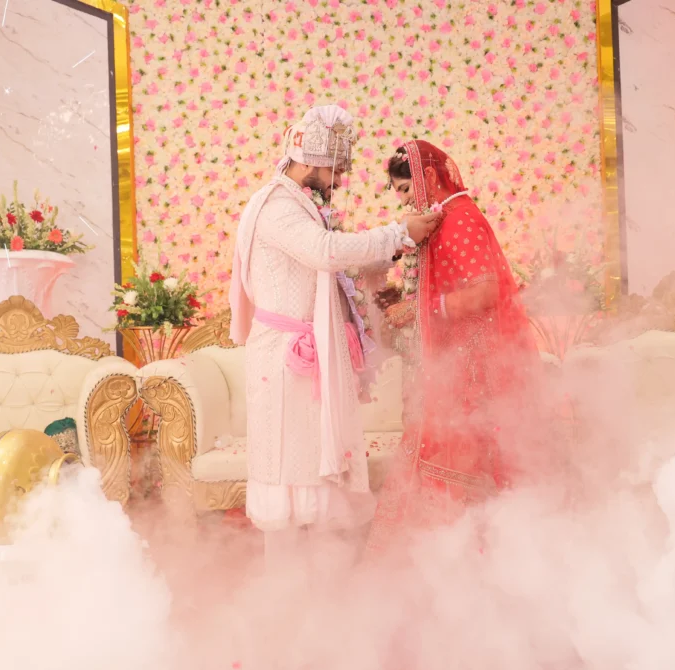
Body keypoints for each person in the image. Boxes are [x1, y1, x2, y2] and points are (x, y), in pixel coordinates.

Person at [228, 107, 442, 565]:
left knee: (310, 473)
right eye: (334, 168)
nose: (338, 177)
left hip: (300, 359)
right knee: (288, 475)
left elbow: (332, 264)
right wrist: (396, 231)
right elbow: (326, 254)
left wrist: (394, 246)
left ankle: (321, 591)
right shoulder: (277, 206)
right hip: (286, 361)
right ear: (310, 162)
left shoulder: (296, 203)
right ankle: (285, 591)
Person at [367, 140, 541, 552]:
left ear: (428, 177)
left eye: (406, 190)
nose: (404, 201)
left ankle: (470, 556)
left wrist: (423, 308)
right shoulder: (443, 218)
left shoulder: (461, 219)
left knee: (462, 454)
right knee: (444, 451)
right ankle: (447, 557)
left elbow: (485, 291)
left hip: (472, 365)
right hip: (453, 362)